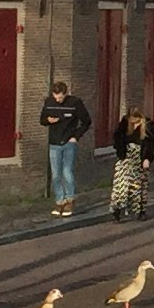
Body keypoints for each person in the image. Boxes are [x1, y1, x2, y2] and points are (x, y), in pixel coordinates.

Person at [39, 79, 91, 216]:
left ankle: (70, 200)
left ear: (65, 94)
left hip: (69, 143)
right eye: (56, 97)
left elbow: (87, 121)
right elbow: (42, 120)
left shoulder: (75, 103)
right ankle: (59, 200)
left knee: (67, 172)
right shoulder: (49, 103)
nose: (58, 100)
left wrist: (76, 136)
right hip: (54, 143)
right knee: (56, 174)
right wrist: (48, 120)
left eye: (61, 97)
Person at [108, 103, 154, 218]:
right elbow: (117, 138)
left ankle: (140, 211)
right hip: (126, 157)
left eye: (135, 119)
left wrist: (147, 158)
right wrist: (120, 151)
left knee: (138, 186)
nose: (132, 122)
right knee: (120, 184)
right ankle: (117, 209)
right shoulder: (124, 123)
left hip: (139, 157)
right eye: (131, 119)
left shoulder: (148, 125)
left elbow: (149, 144)